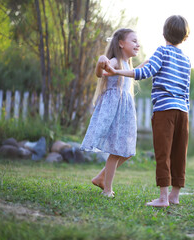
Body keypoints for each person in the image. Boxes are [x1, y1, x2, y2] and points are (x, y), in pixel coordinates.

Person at [104, 15, 191, 207]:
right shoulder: (186, 59)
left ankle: (162, 198)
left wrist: (117, 72)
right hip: (183, 113)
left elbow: (145, 72)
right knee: (179, 153)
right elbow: (186, 90)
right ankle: (174, 196)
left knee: (163, 153)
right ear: (185, 36)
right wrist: (185, 110)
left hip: (164, 111)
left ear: (164, 33)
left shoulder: (162, 52)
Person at [80, 28, 141, 197]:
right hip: (114, 110)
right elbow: (100, 74)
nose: (138, 44)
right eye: (134, 41)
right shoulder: (115, 61)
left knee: (128, 151)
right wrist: (101, 62)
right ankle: (107, 189)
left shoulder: (128, 65)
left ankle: (100, 177)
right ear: (121, 43)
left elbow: (141, 71)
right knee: (116, 150)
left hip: (125, 112)